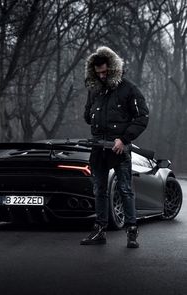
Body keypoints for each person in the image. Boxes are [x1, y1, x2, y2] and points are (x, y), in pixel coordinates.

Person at [80, 46, 149, 248]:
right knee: (99, 190)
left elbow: (142, 117)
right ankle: (100, 231)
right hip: (98, 148)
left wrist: (124, 139)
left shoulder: (129, 89)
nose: (102, 76)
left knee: (125, 189)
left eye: (105, 72)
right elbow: (87, 117)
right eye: (98, 72)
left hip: (119, 148)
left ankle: (132, 232)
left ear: (113, 68)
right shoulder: (94, 91)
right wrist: (91, 107)